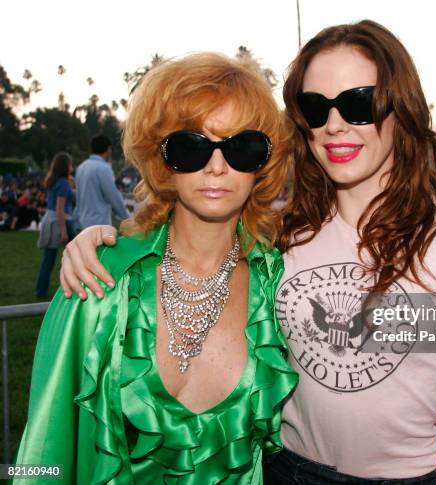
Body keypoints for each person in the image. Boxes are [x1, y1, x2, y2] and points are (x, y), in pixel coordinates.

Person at [58, 21, 436, 485]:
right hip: (282, 471)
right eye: (316, 108)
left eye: (359, 103)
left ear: (400, 108)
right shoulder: (282, 232)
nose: (335, 124)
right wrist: (96, 241)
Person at [16, 53, 299, 484]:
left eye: (243, 147)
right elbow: (41, 452)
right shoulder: (100, 281)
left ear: (263, 165)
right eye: (191, 146)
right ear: (161, 159)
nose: (217, 166)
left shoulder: (280, 283)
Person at [35, 152, 76, 297]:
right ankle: (73, 287)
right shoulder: (63, 183)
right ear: (66, 166)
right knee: (74, 256)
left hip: (50, 219)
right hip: (60, 221)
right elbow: (60, 207)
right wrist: (64, 231)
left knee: (48, 258)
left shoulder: (54, 181)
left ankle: (41, 291)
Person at [74, 134, 130, 229]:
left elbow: (78, 198)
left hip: (82, 222)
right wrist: (127, 217)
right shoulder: (104, 168)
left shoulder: (81, 167)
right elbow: (113, 196)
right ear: (108, 149)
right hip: (98, 223)